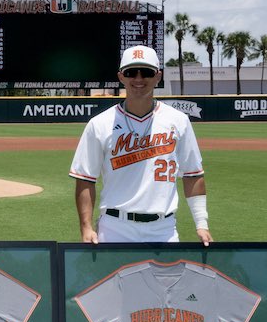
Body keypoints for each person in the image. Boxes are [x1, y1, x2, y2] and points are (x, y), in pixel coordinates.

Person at [69, 45, 212, 245]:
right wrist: (86, 227)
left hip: (164, 229)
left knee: (168, 277)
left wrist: (202, 223)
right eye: (130, 72)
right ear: (121, 77)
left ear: (157, 76)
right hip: (115, 228)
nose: (138, 79)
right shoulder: (99, 124)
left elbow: (193, 175)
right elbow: (85, 178)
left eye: (146, 72)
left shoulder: (178, 121)